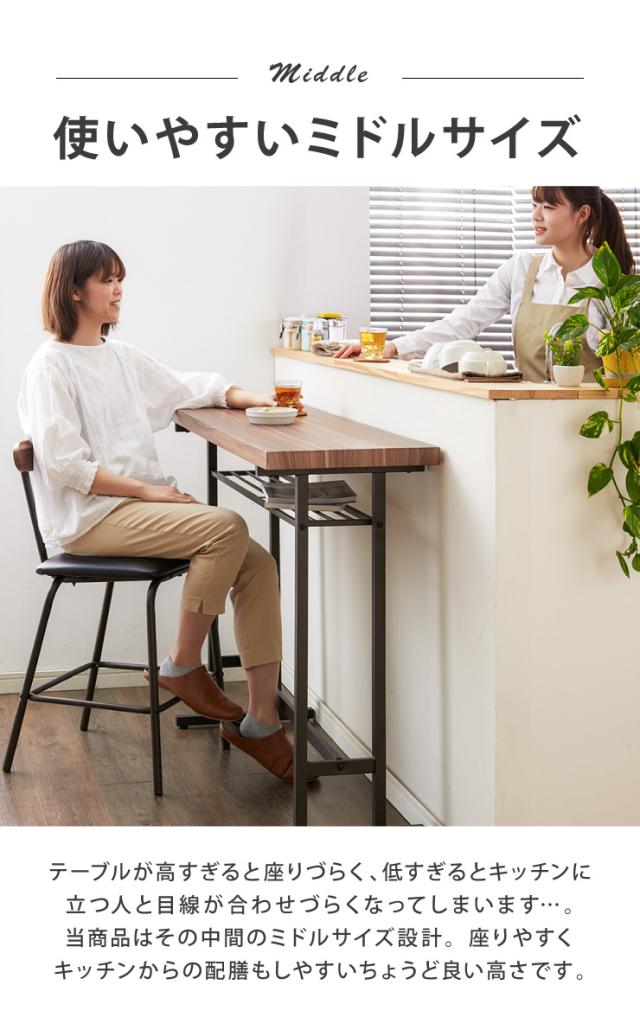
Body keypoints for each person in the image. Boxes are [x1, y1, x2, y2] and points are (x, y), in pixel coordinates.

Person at [17, 239, 302, 783]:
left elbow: (186, 388)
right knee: (226, 527)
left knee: (258, 565)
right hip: (91, 520)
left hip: (130, 509)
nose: (118, 290)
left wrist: (255, 399)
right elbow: (64, 465)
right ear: (74, 291)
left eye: (119, 279)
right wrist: (146, 493)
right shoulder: (50, 366)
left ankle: (262, 721)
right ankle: (182, 664)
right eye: (106, 280)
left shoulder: (119, 357)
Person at [335, 187, 636, 382]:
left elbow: (625, 369)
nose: (535, 216)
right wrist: (392, 347)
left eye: (548, 207)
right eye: (534, 204)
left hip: (589, 422)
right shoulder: (521, 270)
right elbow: (464, 322)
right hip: (526, 414)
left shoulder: (610, 282)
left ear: (582, 214)